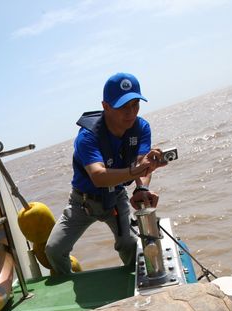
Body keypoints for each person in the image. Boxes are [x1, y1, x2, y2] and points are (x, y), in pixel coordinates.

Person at [45, 73, 168, 275]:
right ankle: (65, 282)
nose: (130, 112)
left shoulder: (141, 128)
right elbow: (98, 176)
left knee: (129, 245)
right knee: (54, 250)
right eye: (122, 107)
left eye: (135, 104)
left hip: (115, 198)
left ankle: (134, 286)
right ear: (106, 106)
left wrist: (142, 186)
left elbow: (141, 164)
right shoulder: (88, 136)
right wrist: (135, 170)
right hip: (82, 202)